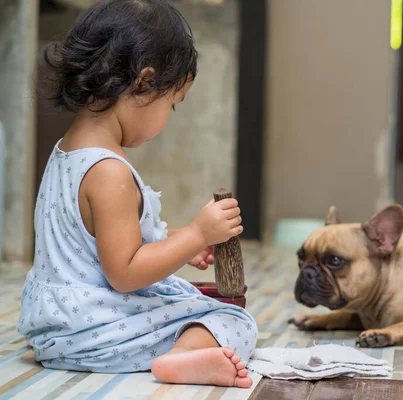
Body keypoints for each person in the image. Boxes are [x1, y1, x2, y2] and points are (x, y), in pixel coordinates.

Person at [17, 0, 257, 388]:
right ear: (143, 83)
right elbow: (126, 273)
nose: (166, 120)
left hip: (55, 333)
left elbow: (100, 246)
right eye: (172, 105)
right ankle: (180, 358)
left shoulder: (67, 152)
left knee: (188, 299)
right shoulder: (110, 171)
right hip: (99, 332)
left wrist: (180, 242)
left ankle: (180, 356)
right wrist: (198, 233)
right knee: (232, 319)